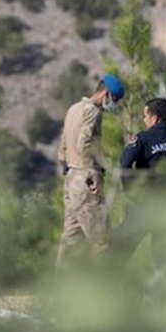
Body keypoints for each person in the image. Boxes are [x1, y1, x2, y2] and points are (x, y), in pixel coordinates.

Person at [55, 74, 124, 264]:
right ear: (106, 94)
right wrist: (101, 167)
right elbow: (84, 144)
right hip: (87, 180)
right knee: (102, 241)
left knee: (71, 238)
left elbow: (63, 146)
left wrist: (67, 166)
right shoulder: (93, 112)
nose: (114, 104)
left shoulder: (74, 109)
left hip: (71, 179)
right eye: (114, 99)